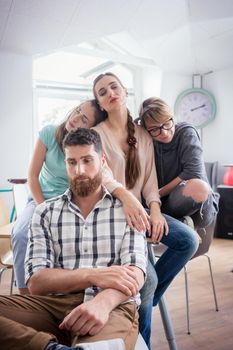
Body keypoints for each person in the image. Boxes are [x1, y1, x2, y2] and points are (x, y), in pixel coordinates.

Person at [0, 128, 147, 350]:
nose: (79, 170)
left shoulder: (126, 210)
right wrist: (94, 275)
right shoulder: (45, 212)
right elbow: (37, 282)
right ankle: (50, 348)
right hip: (53, 306)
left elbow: (135, 274)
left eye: (87, 160)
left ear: (103, 160)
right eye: (72, 162)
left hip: (112, 306)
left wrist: (101, 303)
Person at [92, 72, 199, 349]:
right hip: (116, 214)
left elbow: (150, 179)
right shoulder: (96, 135)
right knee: (147, 278)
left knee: (188, 240)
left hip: (143, 211)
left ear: (125, 91)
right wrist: (126, 197)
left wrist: (154, 208)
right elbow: (103, 175)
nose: (110, 93)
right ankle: (143, 341)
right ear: (100, 104)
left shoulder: (143, 133)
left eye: (114, 86)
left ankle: (142, 303)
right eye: (102, 92)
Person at [11, 100, 106, 295]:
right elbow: (32, 177)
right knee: (21, 234)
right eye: (78, 111)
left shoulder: (88, 147)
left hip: (70, 202)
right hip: (40, 199)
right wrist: (42, 209)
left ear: (91, 128)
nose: (75, 118)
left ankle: (66, 292)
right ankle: (25, 295)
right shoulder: (49, 133)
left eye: (84, 119)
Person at [138, 96, 219, 228]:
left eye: (167, 123)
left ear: (172, 117)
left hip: (193, 200)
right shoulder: (145, 139)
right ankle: (176, 225)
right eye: (154, 129)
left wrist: (154, 195)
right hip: (161, 203)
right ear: (146, 129)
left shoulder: (186, 133)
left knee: (199, 187)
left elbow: (193, 172)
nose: (164, 133)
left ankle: (175, 225)